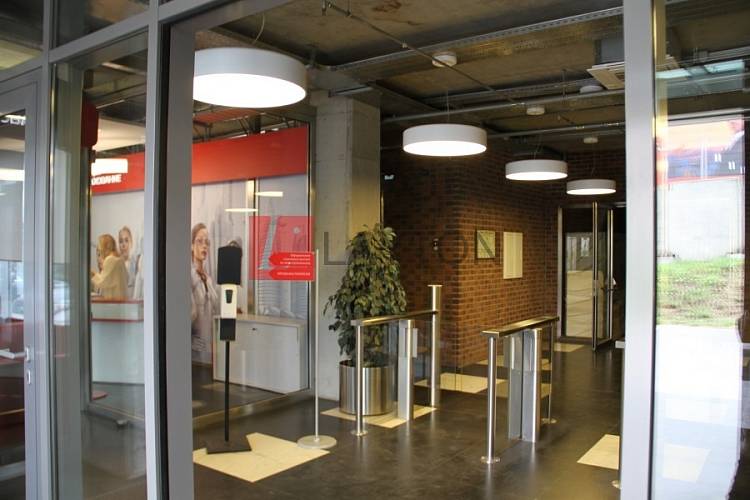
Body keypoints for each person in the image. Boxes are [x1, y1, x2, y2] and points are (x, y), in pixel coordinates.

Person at [191, 223, 219, 364]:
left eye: (207, 242)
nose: (204, 246)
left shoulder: (209, 279)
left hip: (210, 349)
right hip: (195, 351)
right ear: (191, 245)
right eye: (199, 241)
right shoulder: (189, 277)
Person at [91, 234, 128, 299]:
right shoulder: (119, 260)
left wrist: (92, 274)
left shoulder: (110, 259)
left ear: (104, 246)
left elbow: (102, 282)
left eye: (99, 246)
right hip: (121, 301)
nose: (99, 250)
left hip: (113, 302)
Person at [118, 226, 137, 297]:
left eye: (126, 240)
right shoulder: (115, 264)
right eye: (121, 241)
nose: (123, 245)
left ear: (131, 242)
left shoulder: (135, 264)